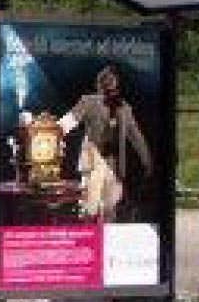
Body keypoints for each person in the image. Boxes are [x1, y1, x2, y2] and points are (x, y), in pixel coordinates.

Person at [60, 65, 152, 221]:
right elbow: (69, 121)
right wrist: (50, 131)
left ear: (117, 83)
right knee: (90, 206)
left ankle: (106, 232)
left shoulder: (124, 107)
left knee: (110, 207)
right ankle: (88, 230)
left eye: (112, 79)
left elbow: (135, 136)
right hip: (94, 161)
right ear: (99, 83)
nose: (109, 83)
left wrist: (146, 159)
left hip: (114, 164)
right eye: (105, 79)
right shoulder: (89, 101)